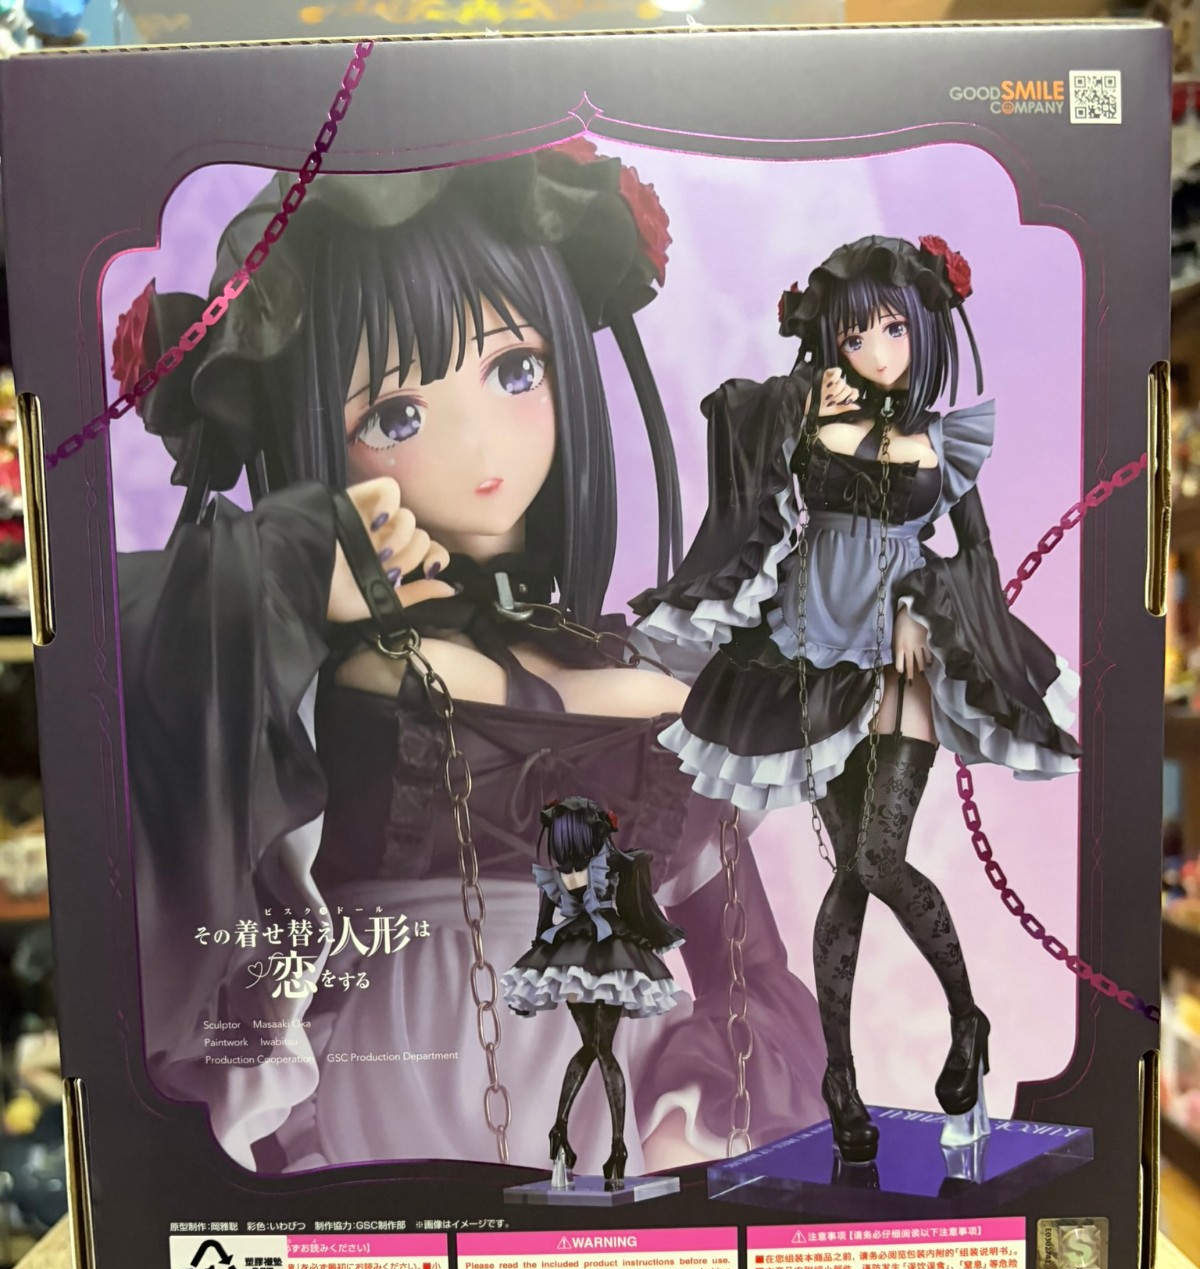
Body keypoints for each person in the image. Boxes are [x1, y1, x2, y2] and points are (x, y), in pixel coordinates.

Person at [113, 146, 827, 1177]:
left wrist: (703, 1110)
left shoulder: (654, 660)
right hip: (372, 1120)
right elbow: (125, 673)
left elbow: (745, 965)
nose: (480, 447)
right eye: (395, 415)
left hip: (631, 1125)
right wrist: (297, 564)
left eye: (515, 370)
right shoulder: (285, 646)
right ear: (317, 432)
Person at [633, 234, 1081, 1162]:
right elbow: (735, 424)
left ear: (925, 327)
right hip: (810, 653)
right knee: (851, 870)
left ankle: (966, 1020)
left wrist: (923, 605)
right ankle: (841, 1077)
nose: (877, 350)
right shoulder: (808, 414)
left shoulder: (942, 442)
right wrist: (806, 396)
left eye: (893, 330)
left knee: (877, 856)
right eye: (854, 335)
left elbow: (976, 556)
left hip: (900, 659)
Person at [502, 796, 686, 1187]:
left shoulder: (616, 865)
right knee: (596, 1048)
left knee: (599, 1048)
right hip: (574, 954)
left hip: (608, 955)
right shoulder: (557, 877)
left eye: (576, 853)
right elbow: (542, 928)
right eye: (563, 856)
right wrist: (534, 981)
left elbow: (629, 901)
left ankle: (573, 1134)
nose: (570, 869)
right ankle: (602, 1144)